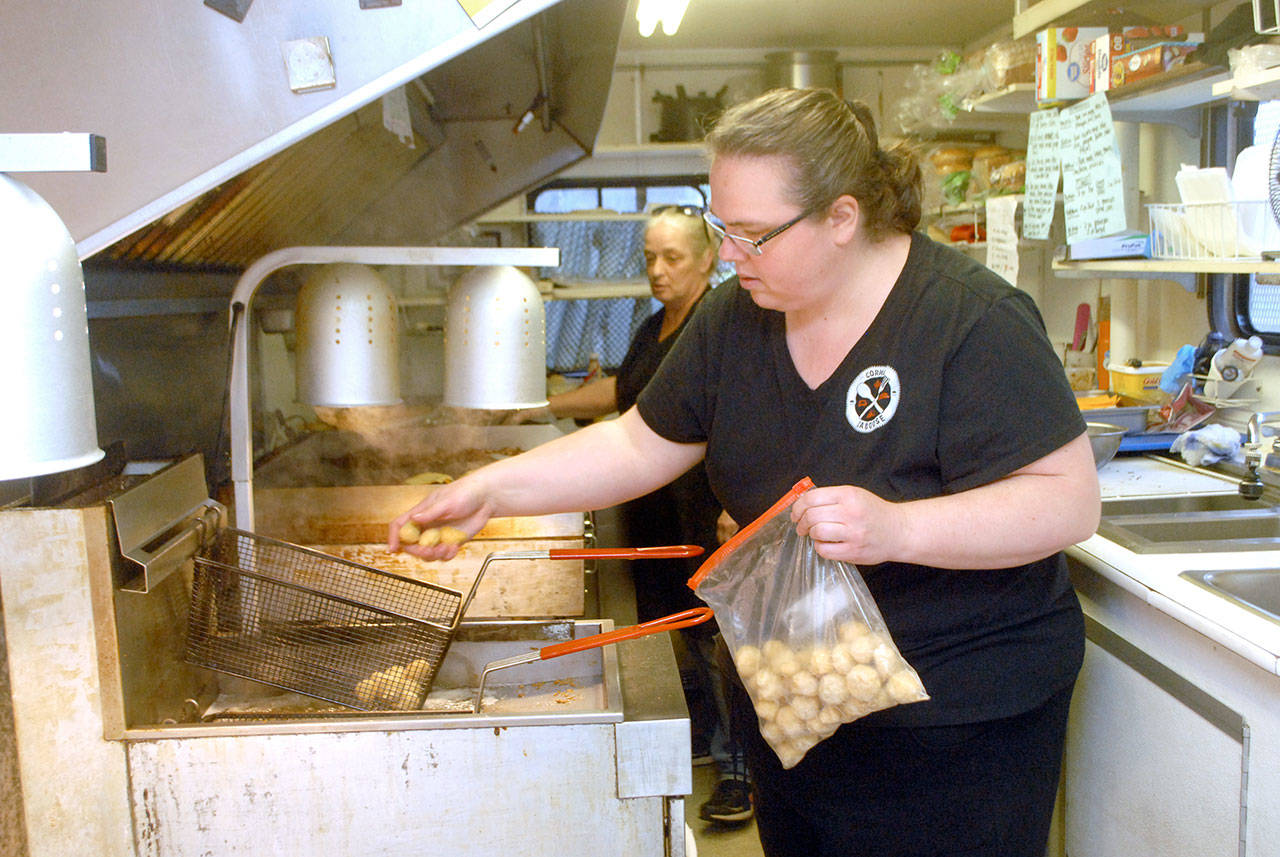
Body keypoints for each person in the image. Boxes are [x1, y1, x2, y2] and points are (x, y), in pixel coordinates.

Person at [390, 88, 1100, 856]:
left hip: (957, 724)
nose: (730, 255)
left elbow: (1066, 503)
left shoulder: (971, 320)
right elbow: (636, 443)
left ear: (842, 217)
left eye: (755, 235)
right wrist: (491, 487)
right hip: (797, 704)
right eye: (723, 228)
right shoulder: (735, 320)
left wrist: (898, 526)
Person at [509, 205, 754, 824]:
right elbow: (626, 399)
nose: (657, 269)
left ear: (707, 258)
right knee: (681, 632)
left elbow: (744, 424)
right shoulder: (654, 329)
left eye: (672, 257)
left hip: (706, 513)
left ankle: (738, 772)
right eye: (649, 256)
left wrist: (739, 503)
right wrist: (537, 405)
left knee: (714, 637)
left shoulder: (718, 327)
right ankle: (708, 739)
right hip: (655, 515)